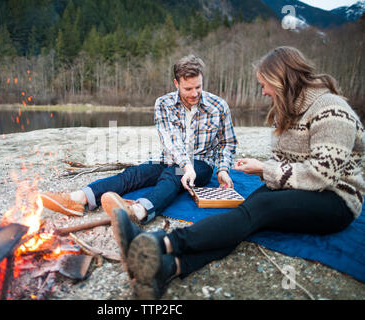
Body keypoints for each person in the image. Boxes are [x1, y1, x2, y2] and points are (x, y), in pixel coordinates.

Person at [109, 46, 365, 299]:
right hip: (298, 189)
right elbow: (283, 161)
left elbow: (323, 174)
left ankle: (160, 244)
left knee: (260, 207)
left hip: (335, 198)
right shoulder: (284, 110)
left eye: (265, 84)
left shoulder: (331, 109)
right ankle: (168, 269)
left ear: (282, 79)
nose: (263, 91)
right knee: (243, 218)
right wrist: (263, 170)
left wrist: (263, 168)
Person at [40, 55, 237, 226]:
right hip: (171, 158)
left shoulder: (218, 106)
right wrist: (186, 164)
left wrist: (222, 171)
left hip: (201, 164)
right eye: (188, 88)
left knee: (172, 175)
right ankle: (79, 199)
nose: (194, 93)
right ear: (176, 84)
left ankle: (138, 212)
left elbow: (227, 144)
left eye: (198, 87)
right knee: (134, 174)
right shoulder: (163, 104)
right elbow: (171, 141)